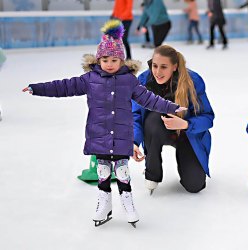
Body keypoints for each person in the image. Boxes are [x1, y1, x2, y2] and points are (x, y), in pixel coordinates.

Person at [22, 20, 186, 227]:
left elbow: (149, 99)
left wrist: (171, 107)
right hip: (99, 134)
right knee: (103, 173)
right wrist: (37, 88)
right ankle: (104, 204)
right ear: (98, 60)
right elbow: (63, 87)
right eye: (105, 59)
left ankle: (128, 204)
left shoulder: (129, 81)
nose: (109, 64)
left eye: (114, 60)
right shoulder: (89, 79)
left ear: (122, 61)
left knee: (123, 172)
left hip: (121, 136)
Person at [132, 45, 215, 194]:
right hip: (157, 130)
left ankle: (188, 163)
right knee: (154, 119)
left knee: (195, 186)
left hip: (187, 134)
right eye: (155, 66)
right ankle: (152, 173)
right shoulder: (144, 80)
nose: (157, 72)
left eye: (164, 67)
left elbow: (208, 117)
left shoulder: (193, 80)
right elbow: (135, 115)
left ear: (174, 66)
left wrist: (186, 124)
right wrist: (133, 141)